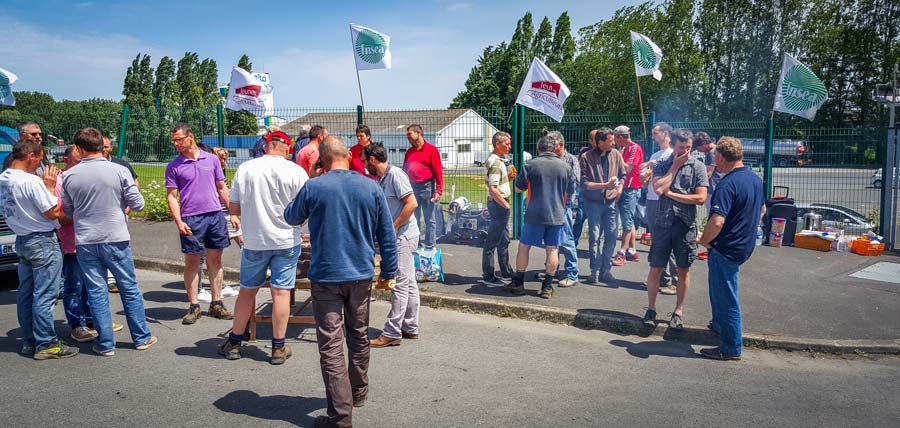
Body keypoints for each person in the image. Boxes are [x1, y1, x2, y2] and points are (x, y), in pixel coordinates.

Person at [284, 135, 398, 428]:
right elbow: (387, 233)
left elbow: (291, 216)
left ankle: (340, 416)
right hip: (360, 274)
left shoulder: (314, 186)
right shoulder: (370, 186)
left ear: (321, 159)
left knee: (331, 344)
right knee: (358, 333)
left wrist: (312, 177)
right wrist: (389, 271)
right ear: (349, 154)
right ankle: (358, 391)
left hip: (326, 275)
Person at [62, 127, 156, 356]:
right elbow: (138, 204)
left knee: (96, 291)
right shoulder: (118, 170)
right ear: (101, 145)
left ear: (79, 148)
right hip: (116, 237)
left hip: (86, 239)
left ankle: (105, 343)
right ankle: (141, 337)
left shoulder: (69, 176)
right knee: (129, 287)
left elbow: (68, 210)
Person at [217, 131, 308, 365]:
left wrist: (242, 225)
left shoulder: (246, 168)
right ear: (286, 148)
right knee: (281, 292)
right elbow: (305, 210)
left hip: (255, 240)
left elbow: (234, 207)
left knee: (247, 290)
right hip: (287, 239)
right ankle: (278, 346)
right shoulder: (296, 171)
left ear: (267, 146)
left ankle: (235, 341)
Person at [0, 140, 78, 359]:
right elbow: (51, 212)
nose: (41, 164)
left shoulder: (4, 178)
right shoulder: (31, 181)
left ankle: (29, 340)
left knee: (26, 293)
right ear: (30, 156)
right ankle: (47, 343)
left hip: (23, 240)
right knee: (45, 294)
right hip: (42, 240)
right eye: (40, 158)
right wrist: (50, 188)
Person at [697, 137, 764, 361]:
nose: (714, 160)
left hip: (726, 247)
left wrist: (704, 241)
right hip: (744, 244)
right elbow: (761, 210)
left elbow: (717, 222)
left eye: (716, 156)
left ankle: (731, 347)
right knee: (719, 289)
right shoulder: (754, 179)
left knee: (726, 296)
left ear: (722, 157)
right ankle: (719, 326)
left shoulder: (727, 185)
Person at [165, 123, 235, 325]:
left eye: (179, 139)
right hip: (191, 218)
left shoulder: (212, 159)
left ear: (191, 137)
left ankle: (216, 303)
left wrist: (233, 212)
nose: (176, 144)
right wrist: (178, 221)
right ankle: (194, 305)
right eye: (174, 141)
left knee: (216, 260)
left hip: (214, 215)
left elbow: (221, 187)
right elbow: (171, 196)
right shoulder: (174, 166)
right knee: (192, 262)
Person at [55, 145, 126, 342]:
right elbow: (59, 216)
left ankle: (93, 319)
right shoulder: (61, 182)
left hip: (93, 240)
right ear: (67, 161)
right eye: (79, 161)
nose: (84, 165)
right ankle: (77, 325)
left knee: (93, 286)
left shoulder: (84, 176)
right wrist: (86, 212)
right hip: (74, 242)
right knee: (74, 285)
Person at [643, 129, 708, 331]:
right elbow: (658, 189)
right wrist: (675, 166)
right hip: (662, 223)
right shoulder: (663, 163)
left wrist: (671, 193)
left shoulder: (698, 166)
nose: (685, 151)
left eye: (689, 147)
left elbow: (700, 198)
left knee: (683, 270)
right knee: (656, 268)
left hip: (685, 224)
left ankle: (678, 312)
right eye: (682, 147)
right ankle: (651, 309)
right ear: (674, 145)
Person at [363, 142, 421, 348]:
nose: (363, 165)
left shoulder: (395, 175)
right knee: (409, 281)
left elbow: (412, 203)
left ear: (372, 159)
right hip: (402, 235)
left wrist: (393, 227)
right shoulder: (382, 178)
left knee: (400, 284)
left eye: (364, 160)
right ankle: (410, 326)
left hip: (404, 237)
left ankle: (392, 332)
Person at [505, 132, 575, 299]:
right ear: (554, 149)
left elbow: (518, 189)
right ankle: (547, 287)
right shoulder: (566, 167)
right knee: (552, 249)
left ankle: (519, 283)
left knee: (524, 247)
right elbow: (570, 191)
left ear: (538, 149)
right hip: (557, 214)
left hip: (534, 213)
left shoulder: (530, 165)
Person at [579, 128, 625, 285]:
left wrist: (619, 189)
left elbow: (623, 175)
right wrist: (604, 185)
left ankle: (606, 270)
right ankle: (595, 271)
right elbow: (584, 183)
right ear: (600, 142)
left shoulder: (616, 154)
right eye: (611, 140)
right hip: (593, 203)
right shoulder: (586, 157)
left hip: (611, 202)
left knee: (612, 236)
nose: (614, 142)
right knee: (594, 237)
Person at [641, 123, 677, 294]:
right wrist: (645, 179)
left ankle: (674, 280)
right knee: (657, 240)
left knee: (666, 239)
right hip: (651, 198)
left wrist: (652, 165)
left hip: (663, 200)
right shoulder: (655, 154)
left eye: (655, 133)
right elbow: (649, 176)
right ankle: (662, 276)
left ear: (665, 133)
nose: (653, 136)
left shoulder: (671, 153)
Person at [480, 132, 514, 287]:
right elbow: (493, 189)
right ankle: (489, 276)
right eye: (506, 144)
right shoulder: (495, 162)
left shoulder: (499, 161)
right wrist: (505, 205)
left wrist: (508, 177)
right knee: (493, 240)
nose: (509, 146)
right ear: (497, 144)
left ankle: (506, 272)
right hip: (498, 204)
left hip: (499, 202)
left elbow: (497, 183)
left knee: (504, 239)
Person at [402, 124, 444, 248]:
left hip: (427, 186)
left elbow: (438, 171)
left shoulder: (431, 150)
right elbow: (405, 170)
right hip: (412, 187)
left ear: (418, 133)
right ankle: (416, 244)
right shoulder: (409, 152)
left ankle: (430, 244)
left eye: (410, 134)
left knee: (429, 218)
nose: (407, 137)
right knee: (414, 218)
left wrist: (438, 190)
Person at [612, 125, 644, 266]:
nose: (614, 141)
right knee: (628, 220)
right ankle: (632, 250)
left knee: (626, 222)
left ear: (620, 137)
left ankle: (622, 252)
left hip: (631, 188)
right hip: (622, 187)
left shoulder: (634, 148)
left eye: (615, 138)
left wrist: (617, 156)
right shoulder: (623, 148)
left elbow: (628, 168)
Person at [553, 133, 580, 287]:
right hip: (551, 205)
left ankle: (572, 273)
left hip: (564, 205)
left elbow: (576, 181)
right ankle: (552, 268)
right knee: (552, 240)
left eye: (554, 145)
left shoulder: (571, 159)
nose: (551, 148)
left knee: (567, 239)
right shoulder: (551, 158)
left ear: (561, 145)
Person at [572, 129, 599, 246]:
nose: (598, 141)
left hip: (599, 193)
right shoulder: (584, 151)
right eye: (595, 139)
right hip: (585, 192)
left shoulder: (606, 151)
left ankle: (595, 244)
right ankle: (573, 243)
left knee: (597, 222)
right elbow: (579, 168)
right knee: (579, 218)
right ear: (591, 140)